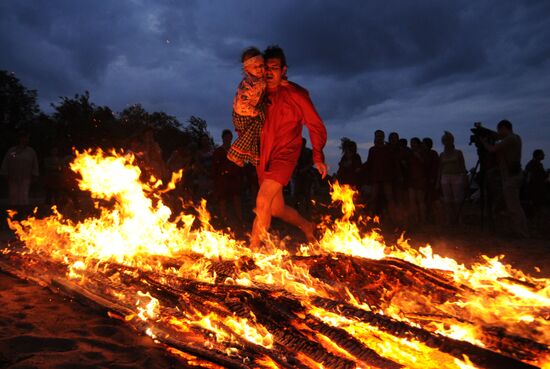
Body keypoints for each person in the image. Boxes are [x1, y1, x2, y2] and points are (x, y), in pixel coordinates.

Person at [251, 45, 327, 249]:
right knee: (275, 208)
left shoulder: (296, 94)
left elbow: (315, 125)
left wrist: (318, 156)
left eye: (274, 67)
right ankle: (307, 225)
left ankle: (252, 254)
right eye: (266, 67)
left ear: (283, 70)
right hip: (263, 155)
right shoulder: (258, 93)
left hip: (285, 155)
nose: (269, 71)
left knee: (262, 201)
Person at [482, 119, 528, 238]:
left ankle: (519, 232)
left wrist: (483, 142)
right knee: (516, 205)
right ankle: (521, 230)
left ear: (503, 128)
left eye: (499, 130)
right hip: (514, 175)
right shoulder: (516, 138)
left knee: (513, 206)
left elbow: (493, 149)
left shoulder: (511, 139)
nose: (498, 133)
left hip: (511, 177)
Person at [227, 47, 266, 167]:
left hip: (248, 113)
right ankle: (235, 153)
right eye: (256, 67)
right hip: (241, 115)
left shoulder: (259, 80)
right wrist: (255, 112)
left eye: (261, 65)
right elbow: (240, 105)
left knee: (256, 132)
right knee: (257, 126)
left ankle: (250, 157)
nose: (260, 69)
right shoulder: (248, 86)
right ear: (246, 69)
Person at [212, 130, 244, 229]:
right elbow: (215, 166)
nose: (228, 139)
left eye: (230, 137)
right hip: (222, 179)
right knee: (223, 199)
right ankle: (224, 220)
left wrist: (240, 175)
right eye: (226, 137)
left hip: (233, 178)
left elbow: (239, 163)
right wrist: (216, 178)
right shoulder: (218, 151)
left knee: (236, 198)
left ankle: (240, 219)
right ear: (223, 138)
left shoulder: (235, 150)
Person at [361, 130, 397, 219]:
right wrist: (361, 168)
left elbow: (393, 163)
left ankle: (394, 217)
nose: (378, 138)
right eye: (377, 136)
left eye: (380, 136)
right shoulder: (372, 150)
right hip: (376, 178)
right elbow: (369, 163)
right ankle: (371, 217)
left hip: (386, 177)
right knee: (374, 198)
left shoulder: (388, 149)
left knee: (389, 198)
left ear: (383, 137)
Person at [1, 131, 39, 209]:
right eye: (24, 138)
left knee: (24, 196)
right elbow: (6, 161)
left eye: (27, 138)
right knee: (13, 195)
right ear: (20, 139)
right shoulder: (12, 151)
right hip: (13, 176)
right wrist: (4, 173)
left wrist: (35, 174)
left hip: (26, 177)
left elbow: (35, 164)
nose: (26, 140)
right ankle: (13, 213)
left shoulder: (31, 151)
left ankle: (23, 213)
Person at [438, 132, 467, 225]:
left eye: (448, 140)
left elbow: (463, 166)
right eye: (445, 140)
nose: (446, 142)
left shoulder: (458, 153)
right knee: (447, 200)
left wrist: (464, 177)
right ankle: (449, 220)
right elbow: (440, 168)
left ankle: (460, 219)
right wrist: (437, 180)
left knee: (457, 200)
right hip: (445, 177)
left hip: (457, 176)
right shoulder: (442, 154)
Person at [292, 138, 314, 216]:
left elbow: (311, 163)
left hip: (306, 175)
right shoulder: (297, 152)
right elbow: (294, 162)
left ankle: (308, 208)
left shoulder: (308, 152)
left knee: (307, 193)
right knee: (297, 192)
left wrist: (304, 170)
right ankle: (296, 207)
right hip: (298, 175)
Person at [408, 137, 427, 224]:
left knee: (420, 200)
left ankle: (423, 219)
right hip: (411, 179)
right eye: (411, 143)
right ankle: (415, 219)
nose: (412, 144)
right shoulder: (410, 153)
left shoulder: (422, 153)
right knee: (412, 200)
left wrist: (418, 156)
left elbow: (425, 164)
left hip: (420, 178)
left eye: (414, 143)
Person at [524, 149, 546, 219]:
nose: (544, 155)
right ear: (538, 155)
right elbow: (529, 178)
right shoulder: (533, 165)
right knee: (535, 206)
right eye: (542, 154)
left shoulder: (537, 164)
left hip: (537, 189)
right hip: (534, 189)